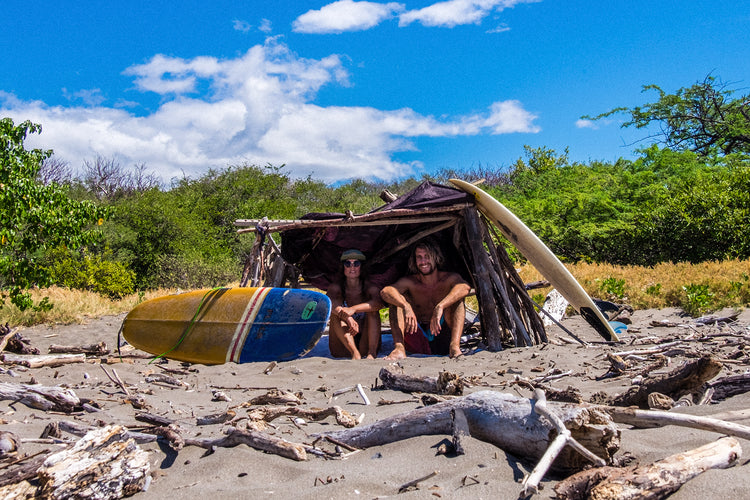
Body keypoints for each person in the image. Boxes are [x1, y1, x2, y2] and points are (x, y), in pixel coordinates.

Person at [380, 240, 470, 359]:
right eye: (419, 257)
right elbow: (385, 292)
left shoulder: (449, 278)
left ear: (436, 258)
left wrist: (440, 306)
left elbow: (465, 288)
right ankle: (399, 349)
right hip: (417, 335)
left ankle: (455, 347)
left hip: (443, 335)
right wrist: (405, 305)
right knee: (397, 300)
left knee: (457, 301)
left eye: (427, 257)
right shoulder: (411, 282)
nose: (423, 262)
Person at [326, 249, 383, 359]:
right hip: (343, 345)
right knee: (336, 314)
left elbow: (378, 303)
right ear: (343, 267)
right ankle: (354, 353)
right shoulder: (336, 288)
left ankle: (372, 353)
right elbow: (330, 304)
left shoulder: (370, 287)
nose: (352, 267)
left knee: (373, 311)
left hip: (366, 342)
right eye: (348, 264)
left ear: (362, 267)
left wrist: (353, 309)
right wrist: (347, 317)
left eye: (356, 263)